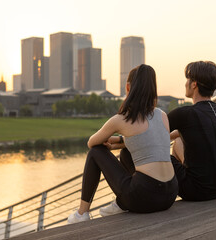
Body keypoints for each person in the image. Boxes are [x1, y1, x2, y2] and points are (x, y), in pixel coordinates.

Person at [67, 64, 178, 224]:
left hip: (144, 197)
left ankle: (82, 213)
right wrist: (118, 141)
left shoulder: (122, 119)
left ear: (128, 87)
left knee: (95, 152)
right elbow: (146, 141)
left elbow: (92, 142)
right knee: (126, 152)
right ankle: (121, 203)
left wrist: (110, 140)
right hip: (170, 194)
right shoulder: (162, 116)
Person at [168, 61, 216, 201]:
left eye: (187, 80)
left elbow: (150, 133)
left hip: (195, 191)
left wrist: (120, 141)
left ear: (194, 84)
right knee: (178, 141)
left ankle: (155, 195)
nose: (185, 83)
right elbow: (194, 131)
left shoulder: (185, 113)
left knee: (154, 153)